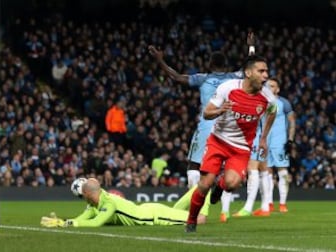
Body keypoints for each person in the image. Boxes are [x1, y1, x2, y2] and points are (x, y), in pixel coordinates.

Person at [148, 32, 255, 188]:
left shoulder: (202, 78)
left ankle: (195, 201)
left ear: (210, 65)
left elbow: (176, 77)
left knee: (193, 166)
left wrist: (160, 60)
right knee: (225, 165)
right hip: (228, 128)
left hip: (207, 126)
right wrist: (251, 46)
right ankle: (224, 187)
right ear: (225, 66)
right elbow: (250, 67)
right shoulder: (234, 77)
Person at [185, 55, 277, 232]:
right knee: (204, 184)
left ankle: (220, 187)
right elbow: (206, 113)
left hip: (241, 147)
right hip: (218, 141)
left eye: (266, 71)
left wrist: (264, 138)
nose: (266, 75)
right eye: (261, 71)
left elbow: (272, 113)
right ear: (248, 73)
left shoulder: (268, 97)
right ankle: (191, 221)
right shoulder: (227, 88)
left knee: (232, 184)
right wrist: (220, 110)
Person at [232, 77, 295, 217]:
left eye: (273, 86)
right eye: (267, 85)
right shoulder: (262, 99)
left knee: (277, 170)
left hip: (274, 141)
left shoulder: (283, 103)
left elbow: (292, 121)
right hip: (264, 139)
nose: (269, 87)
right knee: (265, 170)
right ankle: (268, 204)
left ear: (277, 89)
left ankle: (281, 203)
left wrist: (290, 140)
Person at [40, 178, 207, 228]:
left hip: (153, 216)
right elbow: (83, 218)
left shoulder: (109, 203)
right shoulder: (94, 203)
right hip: (146, 209)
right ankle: (199, 188)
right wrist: (64, 222)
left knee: (199, 219)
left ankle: (206, 187)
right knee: (176, 211)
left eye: (82, 195)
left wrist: (68, 224)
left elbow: (96, 222)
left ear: (86, 194)